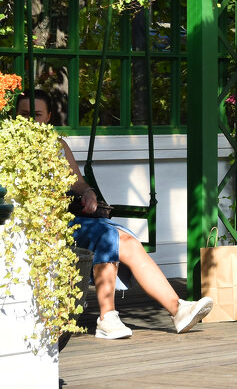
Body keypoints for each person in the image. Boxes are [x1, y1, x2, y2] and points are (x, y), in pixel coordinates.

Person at [16, 91, 214, 340]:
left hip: (70, 220)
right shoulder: (14, 147)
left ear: (48, 117)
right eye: (24, 114)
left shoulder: (58, 146)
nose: (31, 120)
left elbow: (76, 182)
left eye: (36, 115)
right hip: (43, 224)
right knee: (109, 237)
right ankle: (107, 316)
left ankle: (177, 309)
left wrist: (87, 191)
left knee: (128, 242)